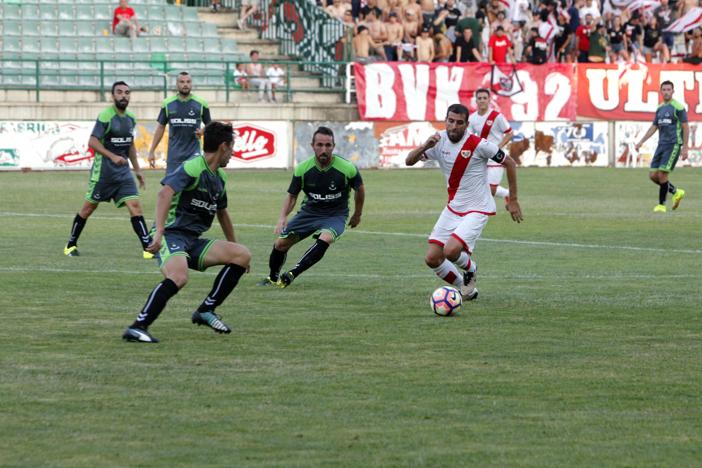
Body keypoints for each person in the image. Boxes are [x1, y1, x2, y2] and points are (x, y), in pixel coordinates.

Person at [122, 122, 252, 343]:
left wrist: (234, 245)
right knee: (179, 276)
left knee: (242, 255)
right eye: (232, 148)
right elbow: (165, 193)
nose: (232, 153)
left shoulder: (220, 177)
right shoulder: (193, 167)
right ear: (223, 146)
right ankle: (137, 327)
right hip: (172, 235)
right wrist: (159, 232)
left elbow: (222, 213)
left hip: (193, 241)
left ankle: (205, 310)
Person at [405, 104, 522, 300]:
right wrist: (426, 146)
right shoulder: (438, 140)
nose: (454, 126)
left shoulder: (478, 144)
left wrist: (514, 200)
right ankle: (466, 288)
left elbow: (509, 162)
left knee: (451, 251)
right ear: (446, 121)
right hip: (453, 208)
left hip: (478, 208)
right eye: (450, 121)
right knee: (432, 258)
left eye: (459, 123)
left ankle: (471, 269)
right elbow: (409, 161)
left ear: (467, 124)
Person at [258, 126, 365, 288]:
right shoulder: (303, 169)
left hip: (335, 215)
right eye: (320, 145)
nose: (324, 149)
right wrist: (282, 217)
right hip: (309, 213)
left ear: (333, 147)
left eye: (328, 145)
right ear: (312, 146)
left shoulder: (346, 168)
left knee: (326, 238)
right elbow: (292, 196)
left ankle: (293, 273)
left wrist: (357, 214)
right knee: (281, 244)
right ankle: (273, 278)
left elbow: (360, 189)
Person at [63, 81, 152, 259]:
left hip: (123, 174)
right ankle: (70, 244)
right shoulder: (105, 116)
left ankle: (148, 249)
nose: (123, 96)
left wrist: (138, 170)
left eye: (127, 92)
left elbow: (130, 145)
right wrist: (112, 156)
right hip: (103, 173)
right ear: (112, 96)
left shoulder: (131, 118)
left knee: (135, 207)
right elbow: (92, 142)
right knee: (88, 209)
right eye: (119, 92)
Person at [635, 81, 688, 213]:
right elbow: (655, 126)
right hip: (661, 145)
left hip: (673, 144)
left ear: (673, 91)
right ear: (661, 92)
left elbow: (685, 127)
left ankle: (661, 205)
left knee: (662, 174)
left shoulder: (678, 107)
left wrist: (685, 147)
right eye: (663, 89)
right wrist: (641, 141)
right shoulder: (660, 108)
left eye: (668, 89)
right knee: (653, 175)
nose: (666, 92)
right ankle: (676, 192)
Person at [148, 72, 212, 175]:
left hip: (193, 156)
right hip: (174, 157)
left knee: (194, 189)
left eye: (188, 82)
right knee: (172, 189)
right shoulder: (167, 104)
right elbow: (160, 128)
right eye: (182, 82)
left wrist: (202, 131)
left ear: (191, 84)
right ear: (177, 84)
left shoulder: (201, 103)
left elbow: (210, 124)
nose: (185, 84)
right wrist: (151, 151)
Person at [469, 88, 513, 205]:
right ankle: (505, 194)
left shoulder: (496, 116)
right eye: (479, 98)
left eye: (484, 98)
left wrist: (498, 147)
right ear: (476, 101)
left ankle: (506, 194)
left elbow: (509, 133)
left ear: (489, 100)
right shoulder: (472, 118)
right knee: (478, 187)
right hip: (481, 156)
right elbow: (469, 137)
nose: (482, 100)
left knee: (491, 190)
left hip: (496, 157)